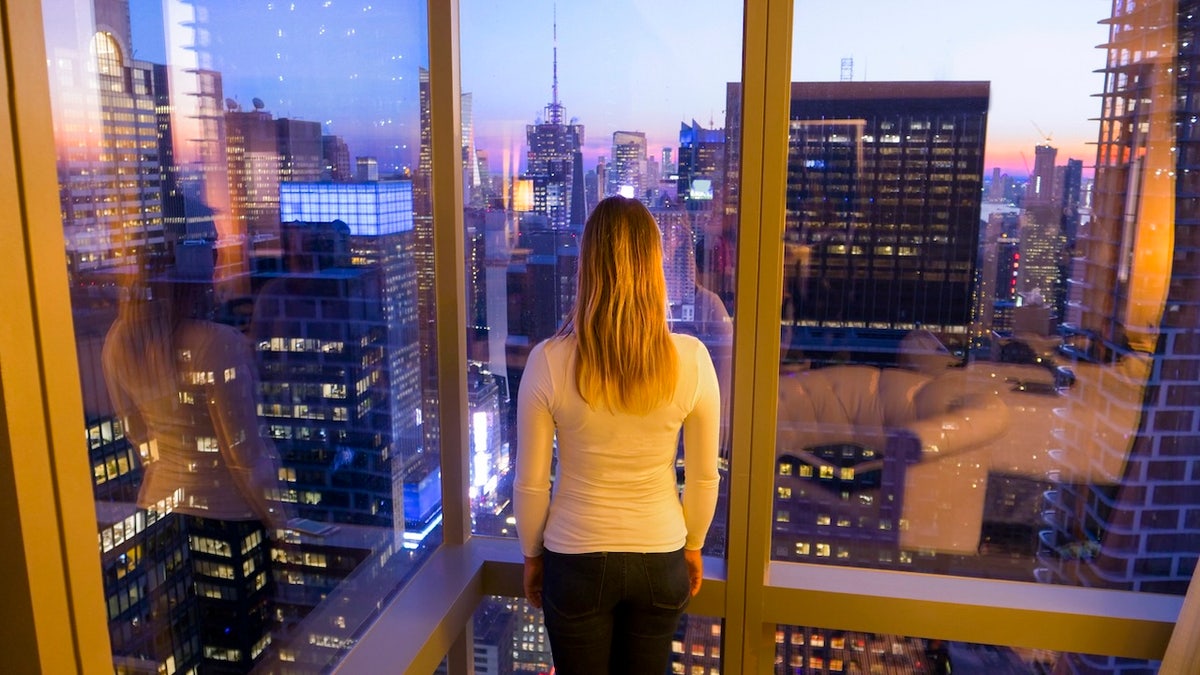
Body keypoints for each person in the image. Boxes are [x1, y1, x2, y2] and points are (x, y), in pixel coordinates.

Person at [515, 196, 722, 674]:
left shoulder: (548, 361)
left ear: (588, 265)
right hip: (660, 555)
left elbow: (530, 484)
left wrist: (531, 556)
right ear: (655, 266)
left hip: (574, 559)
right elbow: (705, 477)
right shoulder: (691, 360)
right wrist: (692, 544)